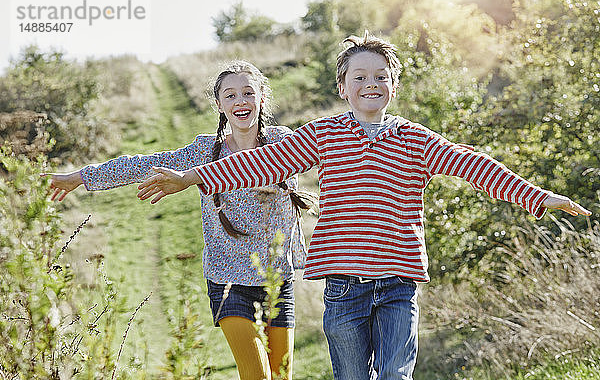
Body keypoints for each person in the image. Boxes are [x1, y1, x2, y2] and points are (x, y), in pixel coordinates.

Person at [135, 33, 592, 380]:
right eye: (360, 77)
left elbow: (471, 165)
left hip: (398, 283)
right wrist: (190, 176)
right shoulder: (324, 134)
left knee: (394, 375)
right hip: (343, 288)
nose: (370, 84)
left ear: (393, 87)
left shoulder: (415, 138)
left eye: (380, 77)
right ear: (343, 87)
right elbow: (258, 164)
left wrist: (537, 196)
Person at [45, 60, 311, 380]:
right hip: (229, 280)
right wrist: (80, 177)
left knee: (282, 377)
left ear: (262, 99)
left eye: (248, 93)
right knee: (258, 376)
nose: (240, 101)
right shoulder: (204, 150)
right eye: (230, 95)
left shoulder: (284, 143)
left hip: (277, 279)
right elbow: (144, 164)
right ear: (219, 105)